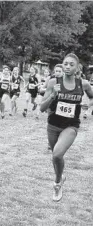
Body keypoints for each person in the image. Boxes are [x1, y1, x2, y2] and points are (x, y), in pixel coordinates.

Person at [40, 53, 93, 202]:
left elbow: (92, 97)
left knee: (56, 154)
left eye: (71, 64)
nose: (68, 67)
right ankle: (60, 177)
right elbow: (42, 108)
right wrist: (52, 95)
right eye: (65, 64)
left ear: (77, 68)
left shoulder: (83, 84)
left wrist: (87, 105)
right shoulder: (53, 82)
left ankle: (57, 184)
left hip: (71, 126)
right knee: (56, 158)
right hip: (53, 125)